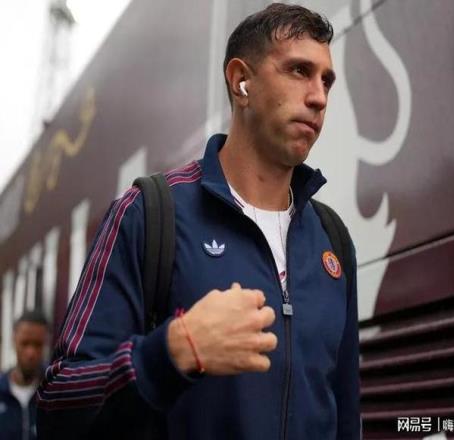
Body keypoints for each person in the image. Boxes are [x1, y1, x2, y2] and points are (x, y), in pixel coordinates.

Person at [37, 3, 360, 439]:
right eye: (299, 71)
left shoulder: (332, 241)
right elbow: (58, 406)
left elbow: (346, 416)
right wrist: (170, 354)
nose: (319, 97)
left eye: (326, 80)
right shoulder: (148, 214)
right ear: (241, 82)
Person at [0, 311, 49, 440]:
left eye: (38, 345)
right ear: (14, 340)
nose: (31, 353)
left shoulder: (53, 394)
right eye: (25, 343)